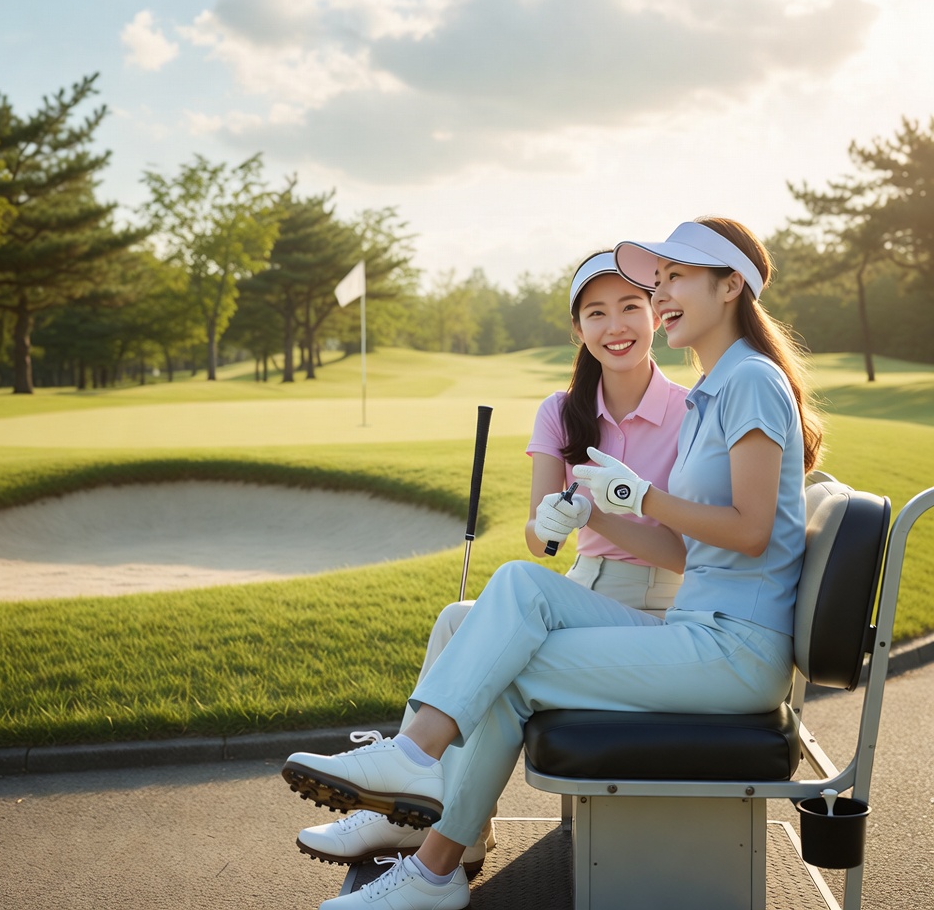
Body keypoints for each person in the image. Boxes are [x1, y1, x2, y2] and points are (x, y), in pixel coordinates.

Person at [283, 216, 823, 910]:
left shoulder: (747, 381)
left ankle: (430, 849)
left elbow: (751, 532)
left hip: (733, 649)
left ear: (730, 286)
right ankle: (417, 781)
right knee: (518, 584)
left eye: (674, 279)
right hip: (702, 627)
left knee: (511, 672)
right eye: (658, 282)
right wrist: (606, 510)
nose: (661, 296)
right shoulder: (725, 384)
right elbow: (689, 550)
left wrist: (644, 495)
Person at [293, 252, 689, 874]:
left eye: (631, 307)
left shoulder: (690, 411)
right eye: (596, 312)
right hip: (583, 588)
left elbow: (689, 553)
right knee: (456, 618)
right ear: (578, 329)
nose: (616, 324)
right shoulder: (562, 410)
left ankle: (413, 789)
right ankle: (407, 806)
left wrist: (600, 516)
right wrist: (552, 522)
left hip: (652, 605)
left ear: (656, 316)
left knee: (491, 628)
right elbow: (538, 537)